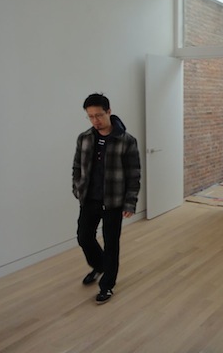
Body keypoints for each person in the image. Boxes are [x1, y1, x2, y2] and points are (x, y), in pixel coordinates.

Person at [72, 93, 141, 304]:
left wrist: (130, 202)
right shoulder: (84, 138)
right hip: (89, 200)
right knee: (84, 237)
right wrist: (77, 188)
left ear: (109, 111)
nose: (95, 120)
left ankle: (107, 285)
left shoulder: (127, 141)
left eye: (99, 115)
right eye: (90, 116)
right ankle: (100, 266)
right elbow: (76, 167)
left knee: (112, 244)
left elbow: (134, 174)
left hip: (113, 202)